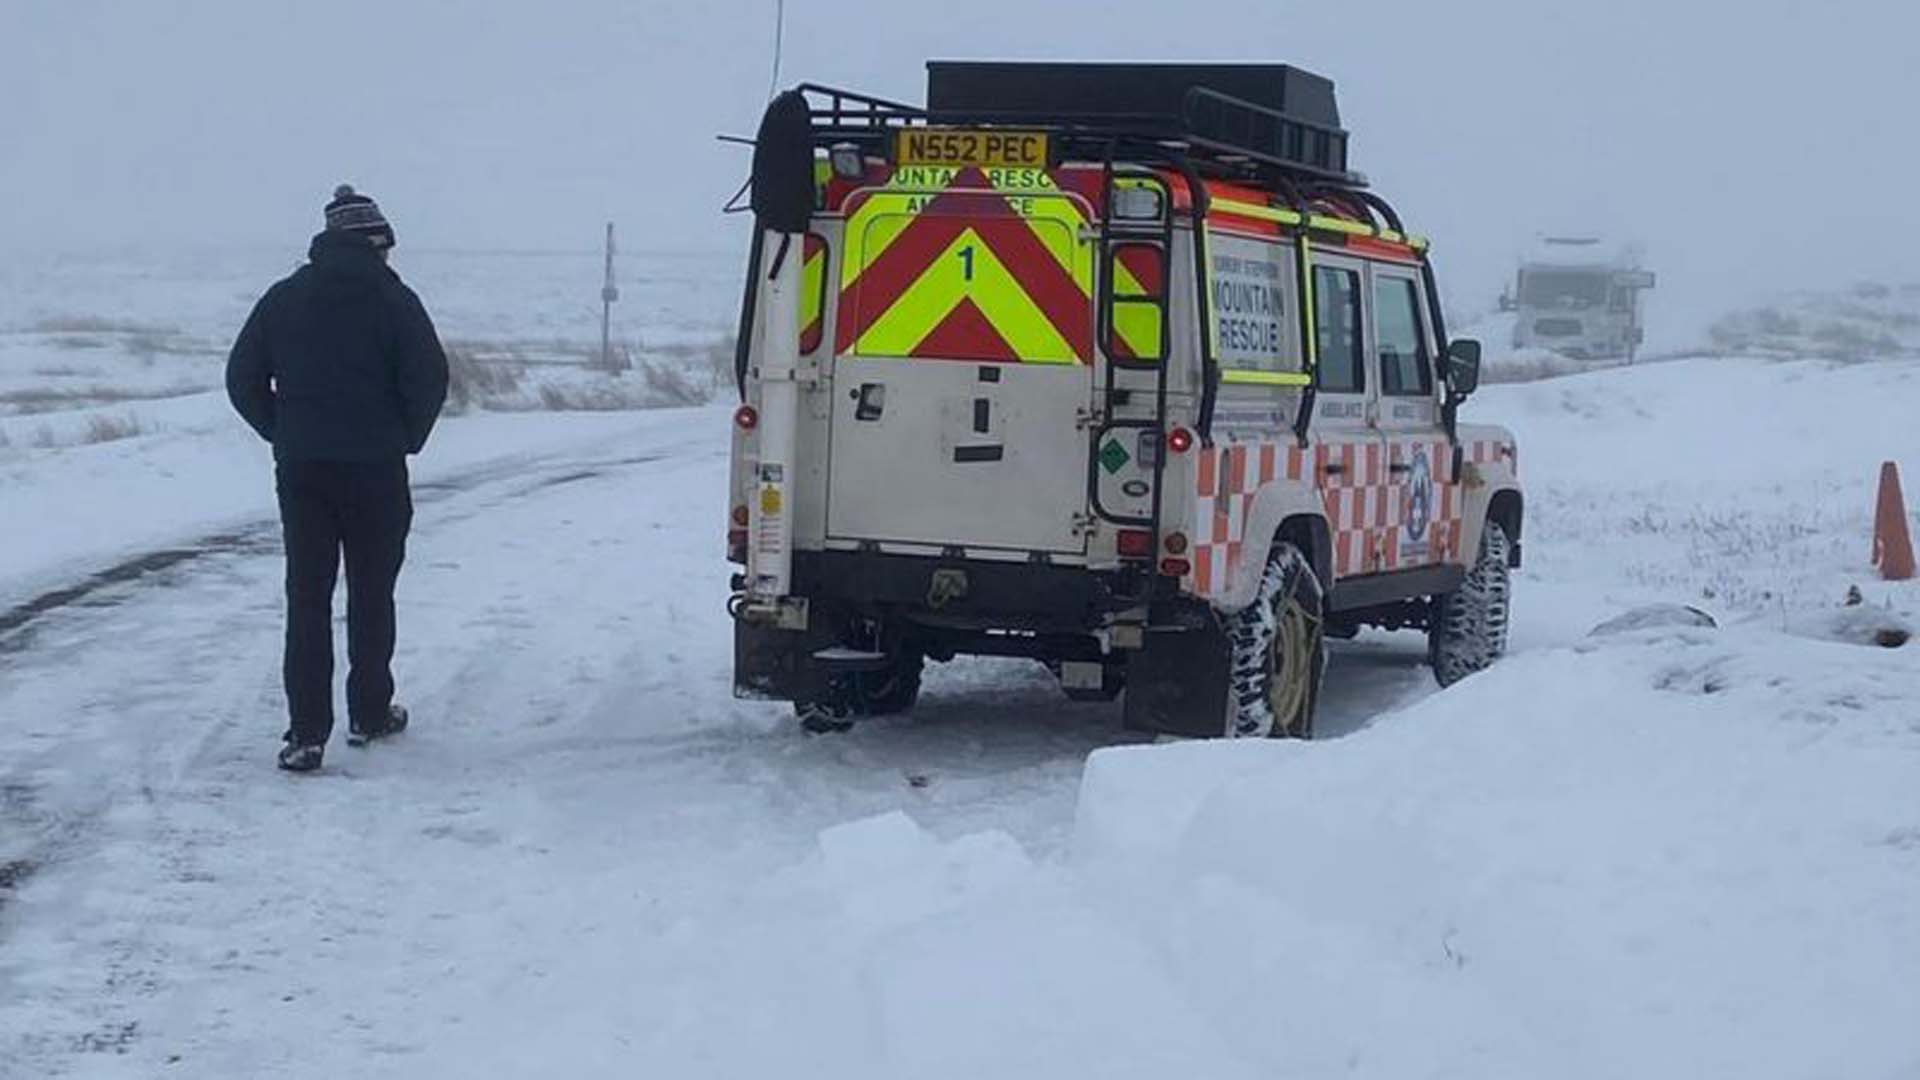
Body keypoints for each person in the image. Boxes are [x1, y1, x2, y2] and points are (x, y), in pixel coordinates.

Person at [227, 185, 449, 772]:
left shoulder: (283, 299)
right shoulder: (394, 300)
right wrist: (406, 436)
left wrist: (283, 431)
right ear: (376, 242)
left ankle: (305, 734)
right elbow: (429, 377)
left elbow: (241, 377)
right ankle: (370, 711)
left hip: (303, 472)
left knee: (307, 596)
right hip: (376, 470)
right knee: (372, 594)